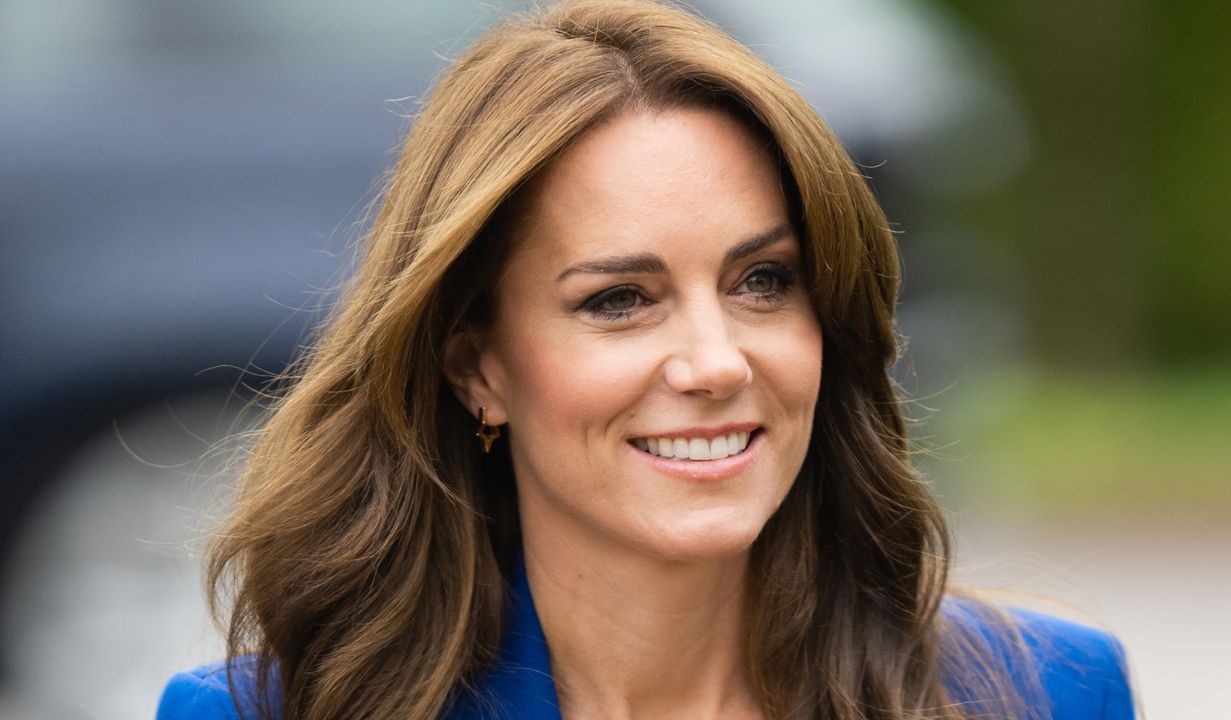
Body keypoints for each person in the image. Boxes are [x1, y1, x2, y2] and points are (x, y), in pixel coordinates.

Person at [158, 1, 1135, 718]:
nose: (713, 362)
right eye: (618, 300)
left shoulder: (1048, 693)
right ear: (474, 367)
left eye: (762, 282)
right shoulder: (271, 715)